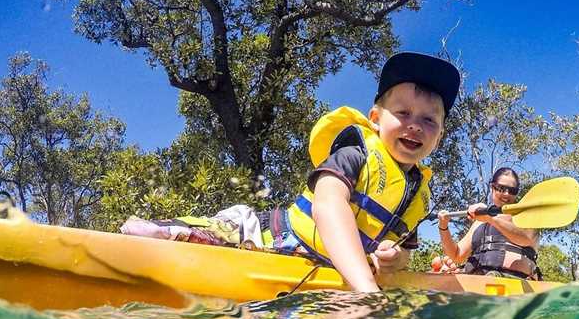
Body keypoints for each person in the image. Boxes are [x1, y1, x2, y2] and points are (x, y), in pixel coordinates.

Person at [121, 52, 460, 293]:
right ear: (375, 118)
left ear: (440, 134)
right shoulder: (355, 153)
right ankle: (161, 234)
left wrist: (393, 259)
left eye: (429, 120)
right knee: (221, 232)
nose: (415, 126)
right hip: (272, 237)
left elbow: (405, 254)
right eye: (403, 112)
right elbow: (329, 206)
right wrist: (366, 288)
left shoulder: (417, 193)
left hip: (323, 271)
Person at [435, 167, 541, 280]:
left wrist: (489, 217)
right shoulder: (479, 222)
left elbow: (526, 238)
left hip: (515, 282)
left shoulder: (525, 216)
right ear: (492, 187)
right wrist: (443, 227)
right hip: (476, 282)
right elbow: (456, 255)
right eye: (501, 188)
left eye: (512, 190)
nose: (506, 194)